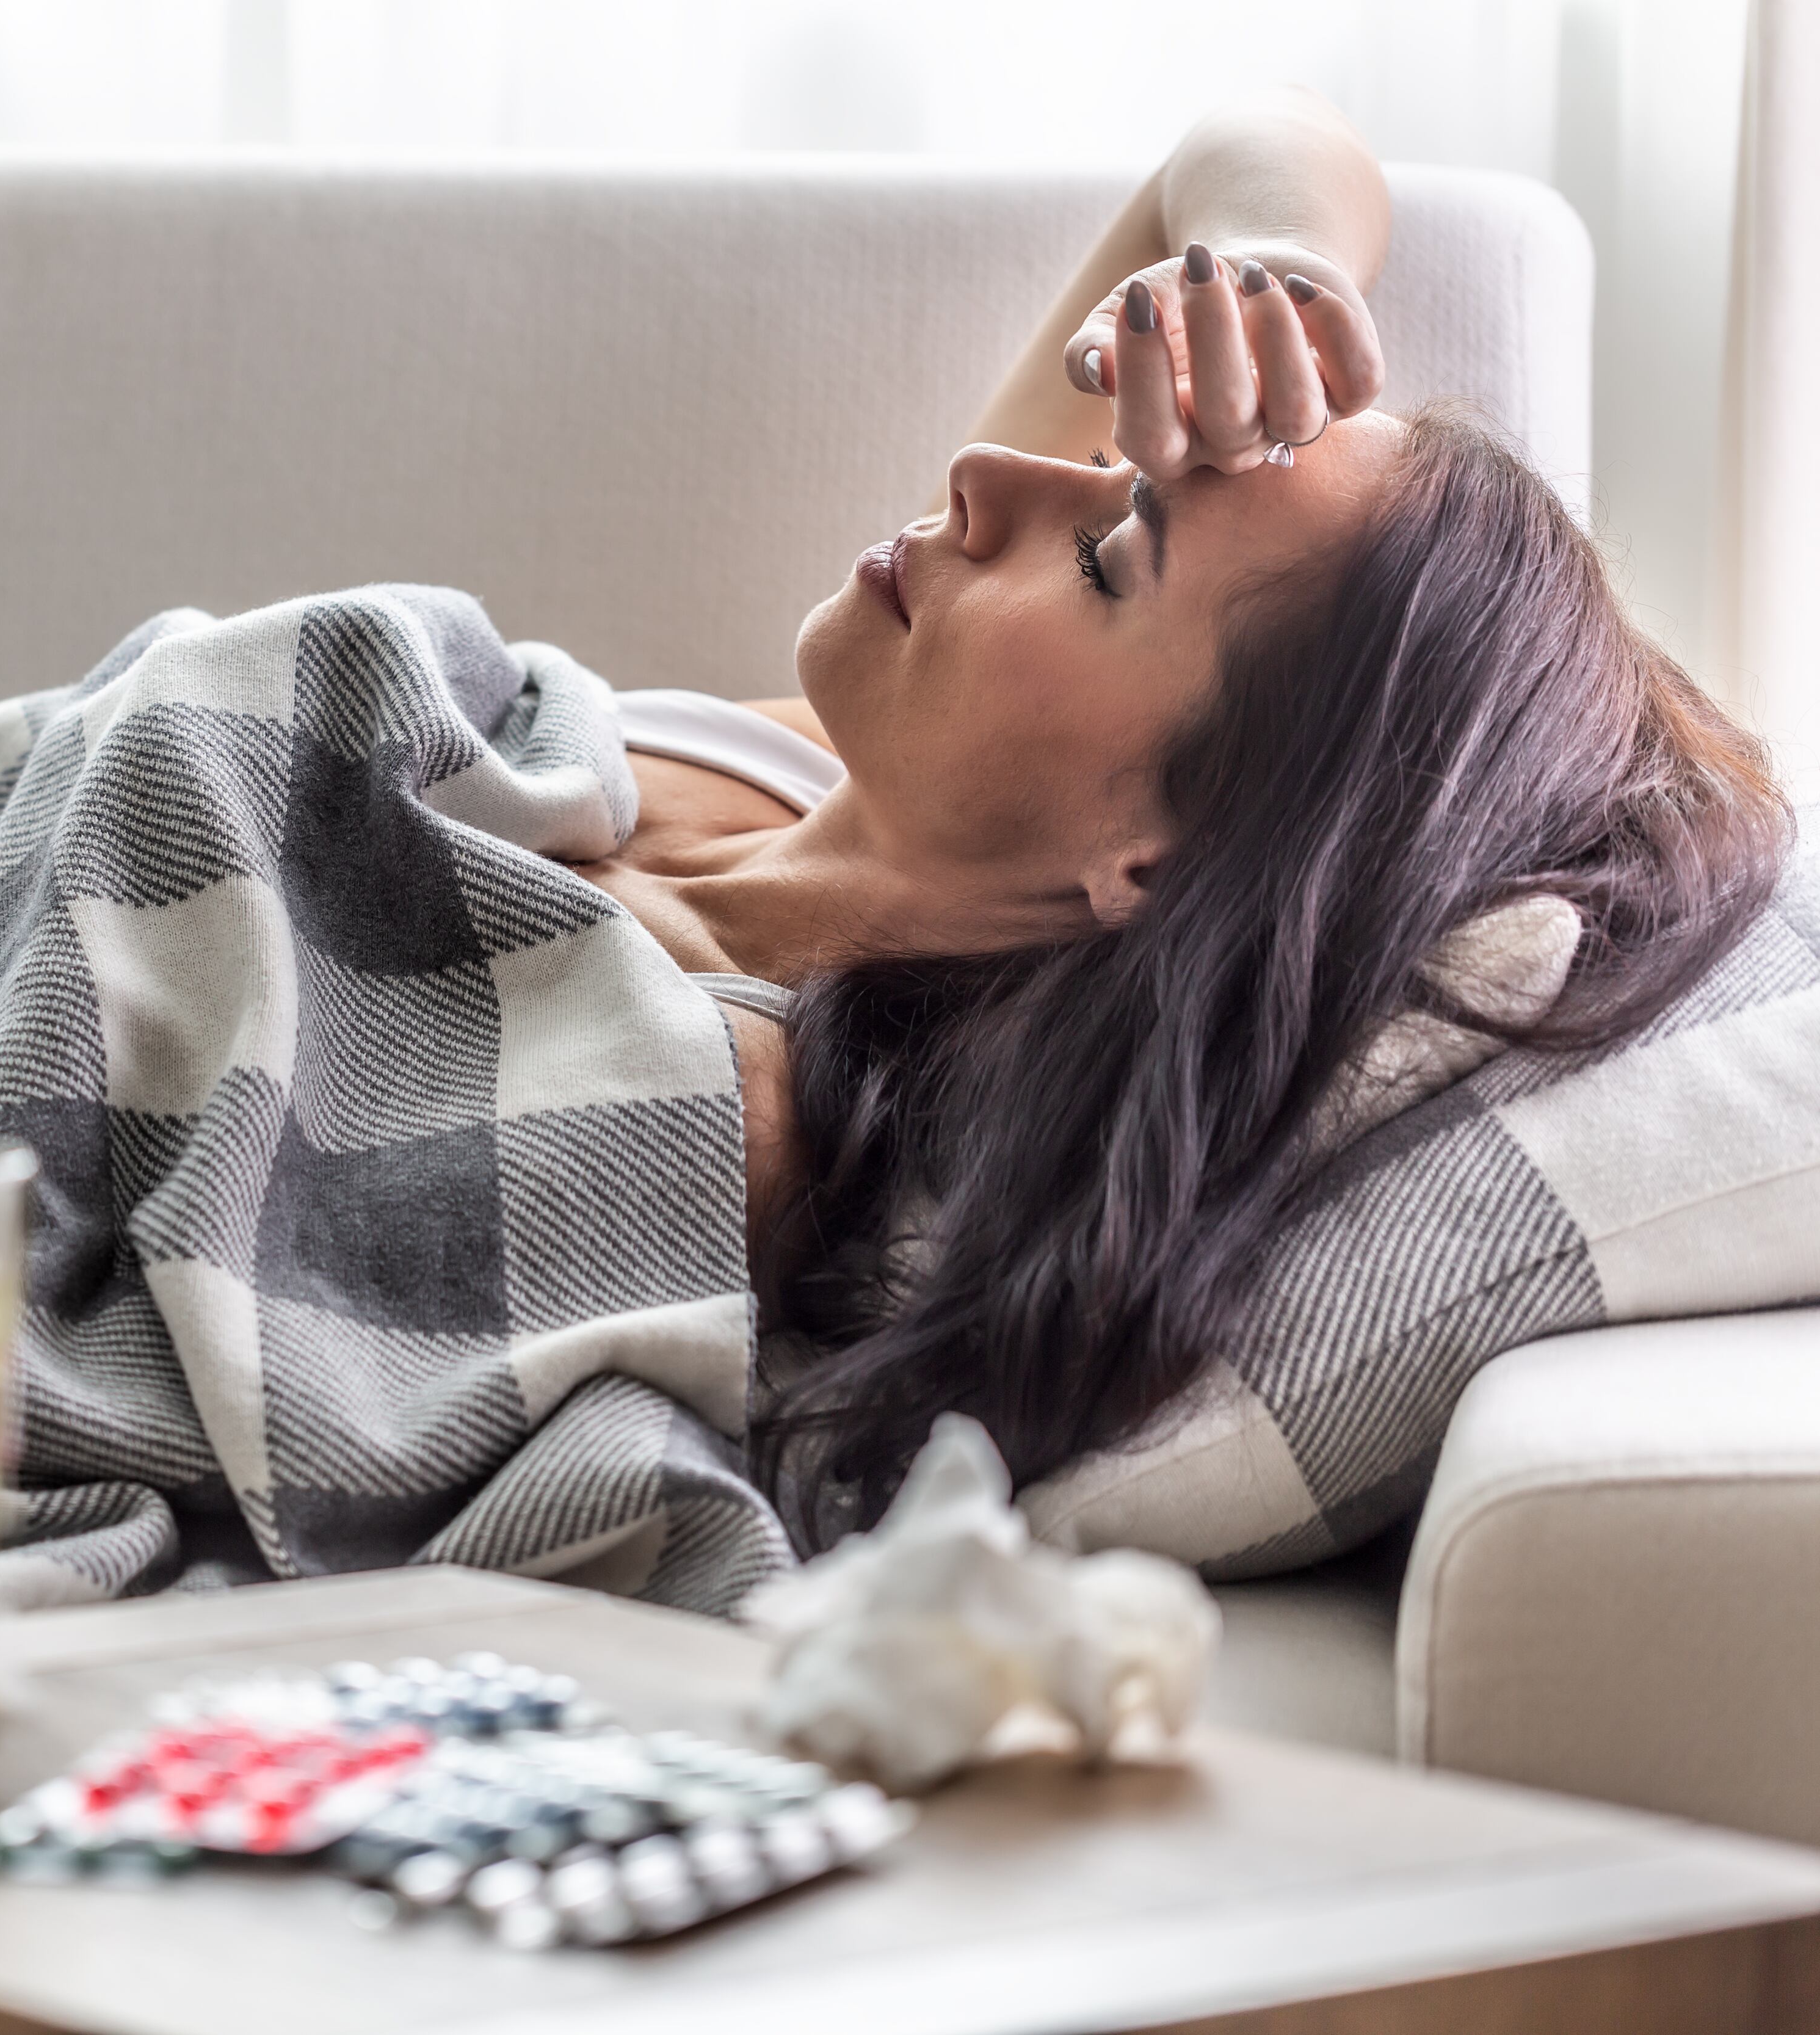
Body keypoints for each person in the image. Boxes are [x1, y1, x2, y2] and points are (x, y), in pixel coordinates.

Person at [562, 90, 1795, 1540]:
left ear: (1150, 857)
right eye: (1104, 463)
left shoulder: (722, 1088)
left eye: (1105, 554)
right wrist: (1276, 271)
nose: (983, 477)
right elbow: (1254, 146)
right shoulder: (844, 761)